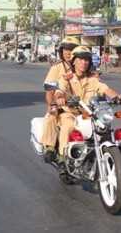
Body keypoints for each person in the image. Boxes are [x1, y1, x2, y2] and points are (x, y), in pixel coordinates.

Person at [52, 46, 121, 172]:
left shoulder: (93, 79)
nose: (84, 62)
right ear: (74, 61)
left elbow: (105, 89)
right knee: (68, 126)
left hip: (90, 114)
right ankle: (62, 158)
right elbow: (59, 92)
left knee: (104, 127)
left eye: (87, 60)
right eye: (81, 59)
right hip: (70, 113)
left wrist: (119, 97)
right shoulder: (66, 78)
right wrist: (60, 98)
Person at [40, 36, 80, 164]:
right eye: (66, 49)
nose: (68, 52)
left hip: (82, 106)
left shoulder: (85, 66)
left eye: (72, 49)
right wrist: (52, 104)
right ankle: (51, 148)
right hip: (62, 104)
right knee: (51, 116)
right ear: (61, 51)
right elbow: (50, 90)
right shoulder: (57, 67)